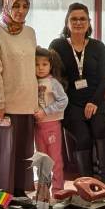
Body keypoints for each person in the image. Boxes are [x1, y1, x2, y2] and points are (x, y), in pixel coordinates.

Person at [49, 2, 105, 186]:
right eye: (74, 19)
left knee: (100, 129)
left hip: (96, 100)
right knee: (83, 137)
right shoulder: (57, 45)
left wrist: (94, 102)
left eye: (83, 19)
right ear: (67, 22)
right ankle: (88, 185)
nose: (78, 22)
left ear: (89, 22)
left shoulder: (98, 47)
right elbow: (52, 75)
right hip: (70, 104)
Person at [0, 0, 39, 194]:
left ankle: (19, 195)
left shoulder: (30, 32)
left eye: (25, 7)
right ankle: (0, 197)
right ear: (6, 7)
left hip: (27, 103)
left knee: (23, 154)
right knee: (2, 156)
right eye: (16, 6)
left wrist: (37, 102)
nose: (21, 11)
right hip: (4, 104)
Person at [33, 46, 69, 198]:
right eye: (36, 64)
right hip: (37, 128)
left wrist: (46, 111)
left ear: (50, 65)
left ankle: (58, 190)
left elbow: (63, 101)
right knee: (41, 160)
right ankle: (42, 192)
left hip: (52, 127)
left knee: (55, 160)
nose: (40, 68)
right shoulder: (31, 82)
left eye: (44, 64)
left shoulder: (53, 82)